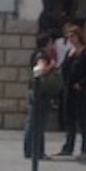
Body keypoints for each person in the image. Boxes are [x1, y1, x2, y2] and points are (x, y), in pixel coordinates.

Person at [56, 24, 86, 160]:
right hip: (69, 90)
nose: (71, 39)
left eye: (73, 36)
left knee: (84, 121)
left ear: (79, 36)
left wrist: (82, 84)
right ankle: (68, 147)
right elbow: (65, 69)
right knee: (69, 120)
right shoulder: (70, 52)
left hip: (81, 91)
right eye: (69, 37)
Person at [23, 32, 57, 160]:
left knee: (31, 121)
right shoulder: (42, 55)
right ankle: (37, 152)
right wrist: (51, 66)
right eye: (51, 42)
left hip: (33, 90)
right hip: (40, 93)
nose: (52, 45)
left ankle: (29, 150)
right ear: (47, 43)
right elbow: (41, 70)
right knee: (38, 123)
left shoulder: (34, 54)